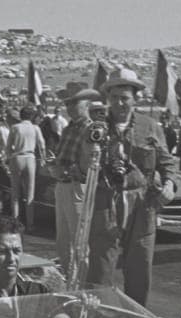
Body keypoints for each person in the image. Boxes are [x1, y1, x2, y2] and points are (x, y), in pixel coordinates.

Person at [81, 68, 177, 307]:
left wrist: (169, 184)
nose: (119, 103)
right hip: (106, 203)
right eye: (114, 97)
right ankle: (96, 316)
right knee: (100, 267)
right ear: (108, 99)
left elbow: (167, 162)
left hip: (142, 205)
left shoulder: (151, 126)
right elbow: (83, 168)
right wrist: (90, 150)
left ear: (135, 98)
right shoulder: (95, 128)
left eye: (125, 97)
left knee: (139, 267)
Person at [50, 87, 103, 271]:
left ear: (87, 104)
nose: (70, 107)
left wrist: (69, 170)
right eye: (67, 103)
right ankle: (68, 279)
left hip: (77, 187)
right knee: (63, 241)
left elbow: (92, 163)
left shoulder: (92, 128)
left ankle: (81, 281)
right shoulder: (68, 128)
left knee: (79, 241)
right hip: (63, 185)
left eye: (75, 102)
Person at [5, 105, 46, 229]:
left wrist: (9, 158)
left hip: (17, 157)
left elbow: (8, 147)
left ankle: (15, 221)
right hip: (30, 157)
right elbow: (42, 145)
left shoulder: (15, 127)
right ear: (32, 116)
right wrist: (43, 159)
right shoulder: (35, 128)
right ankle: (30, 224)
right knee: (29, 194)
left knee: (16, 194)